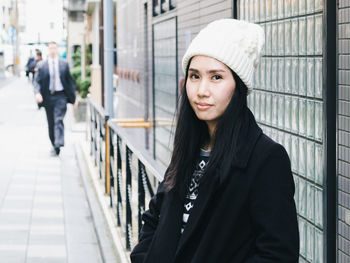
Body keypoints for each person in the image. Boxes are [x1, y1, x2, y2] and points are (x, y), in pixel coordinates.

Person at [130, 19, 299, 263]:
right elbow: (155, 217)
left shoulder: (265, 158)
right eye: (194, 76)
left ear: (238, 86)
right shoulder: (189, 148)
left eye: (216, 77)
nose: (201, 90)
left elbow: (278, 254)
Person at [34, 41, 77, 156]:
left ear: (57, 49)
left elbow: (69, 82)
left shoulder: (64, 64)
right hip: (48, 97)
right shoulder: (42, 65)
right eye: (51, 48)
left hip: (61, 96)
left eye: (54, 48)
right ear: (48, 50)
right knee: (51, 123)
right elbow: (37, 81)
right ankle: (54, 144)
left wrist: (74, 99)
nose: (52, 50)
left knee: (58, 119)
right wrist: (37, 93)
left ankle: (59, 142)